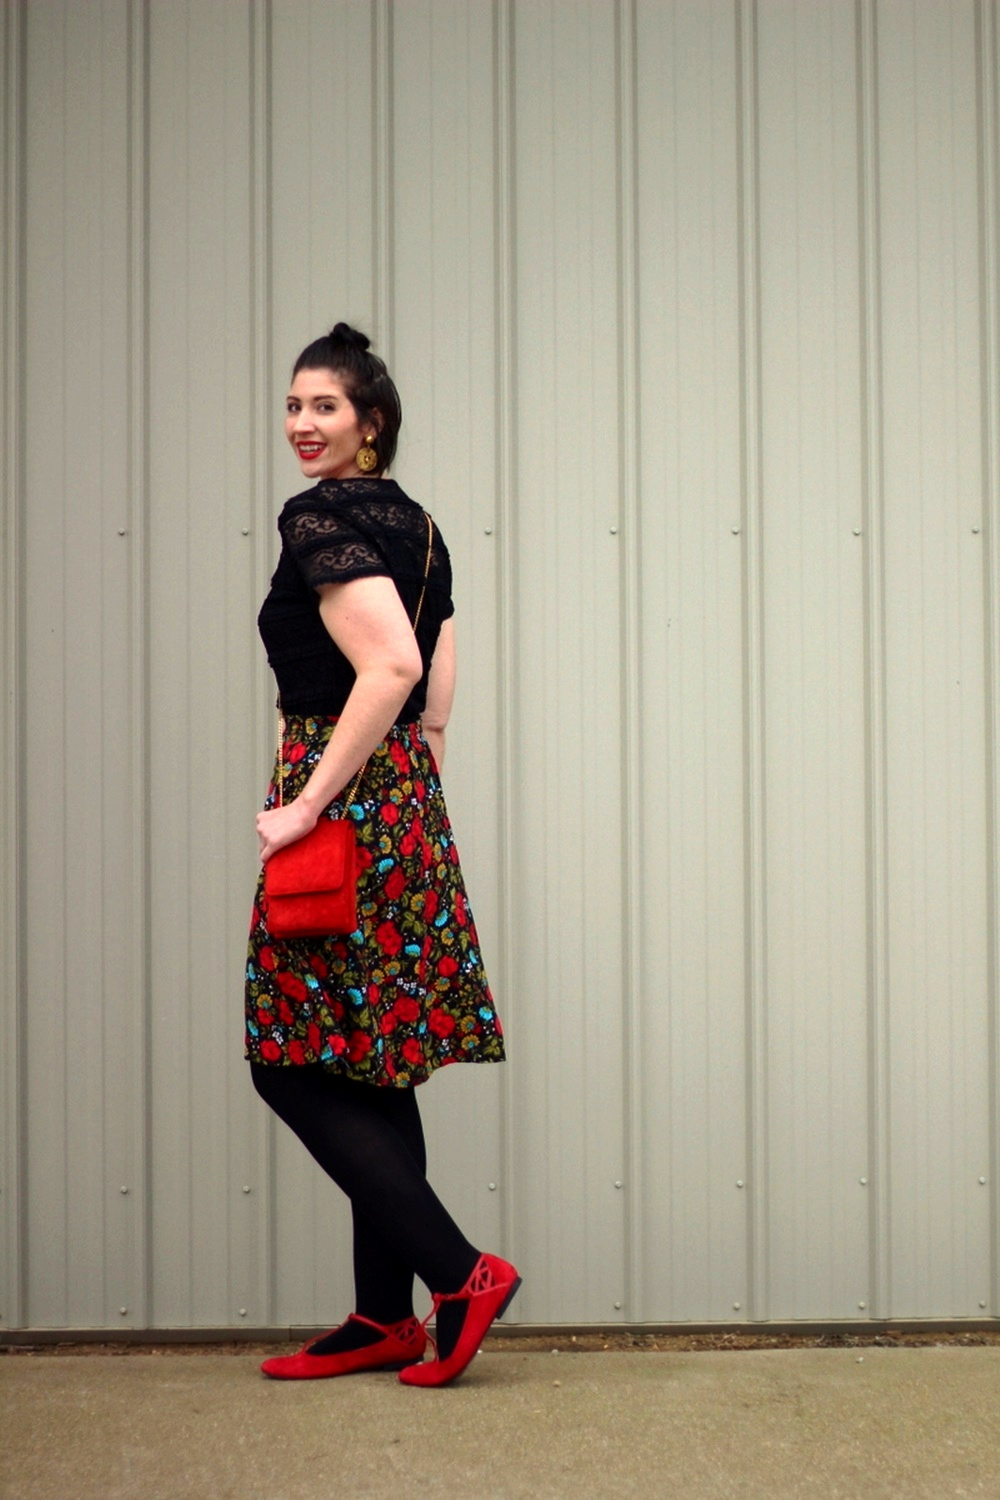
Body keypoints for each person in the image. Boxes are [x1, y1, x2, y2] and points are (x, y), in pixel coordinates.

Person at [246, 322, 518, 1387]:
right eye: (294, 404)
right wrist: (417, 781)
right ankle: (381, 1316)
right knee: (376, 1053)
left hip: (342, 798)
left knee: (289, 1060)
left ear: (372, 425)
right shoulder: (420, 525)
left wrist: (309, 801)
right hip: (403, 798)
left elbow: (393, 660)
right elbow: (437, 671)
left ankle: (459, 1276)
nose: (302, 424)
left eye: (325, 407)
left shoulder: (318, 517)